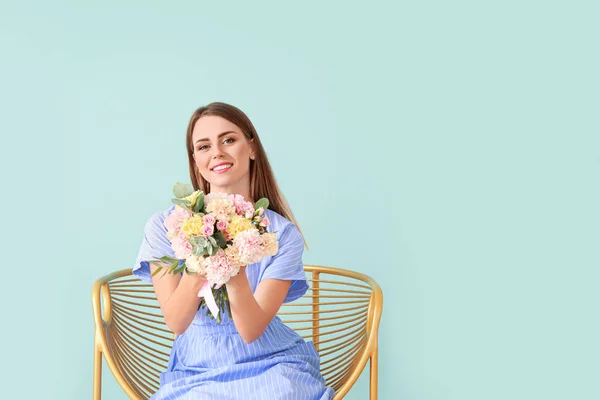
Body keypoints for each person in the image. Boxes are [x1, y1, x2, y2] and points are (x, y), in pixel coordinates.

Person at [133, 102, 336, 399]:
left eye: (228, 140)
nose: (217, 152)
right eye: (204, 146)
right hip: (197, 369)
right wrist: (200, 257)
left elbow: (252, 330)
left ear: (251, 147)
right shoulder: (166, 226)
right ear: (195, 160)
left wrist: (232, 263)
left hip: (270, 362)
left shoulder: (282, 234)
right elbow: (176, 321)